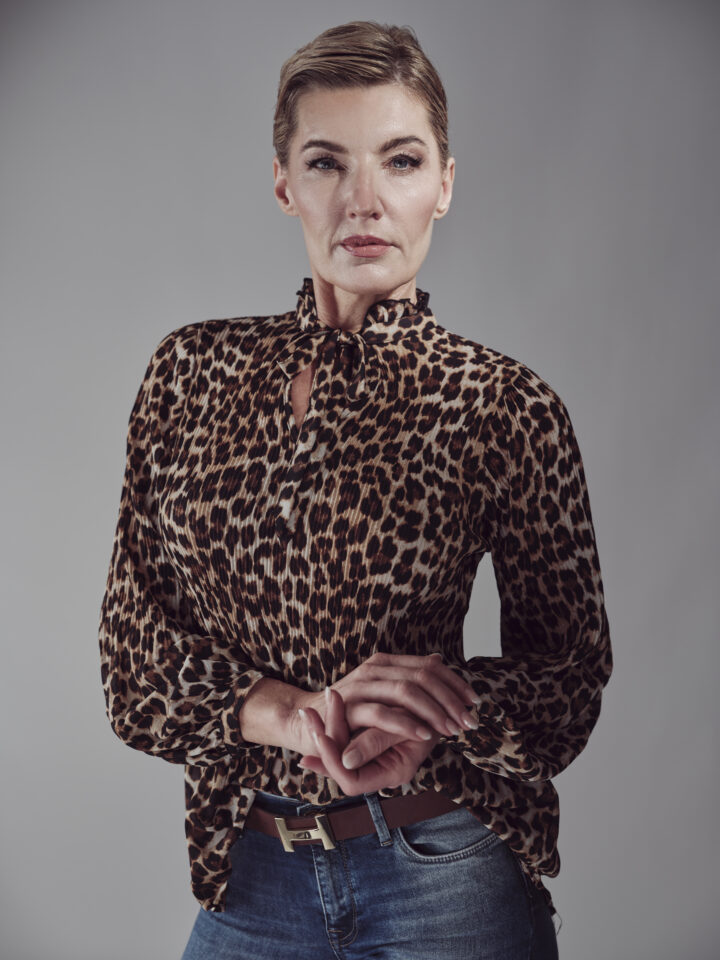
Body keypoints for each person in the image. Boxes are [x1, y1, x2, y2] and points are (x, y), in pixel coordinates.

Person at [98, 19, 612, 960]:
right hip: (249, 873)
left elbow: (569, 679)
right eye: (327, 163)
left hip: (442, 875)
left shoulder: (503, 405)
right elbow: (133, 671)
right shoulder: (189, 374)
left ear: (444, 184)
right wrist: (298, 716)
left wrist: (429, 717)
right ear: (284, 184)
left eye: (401, 161)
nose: (363, 200)